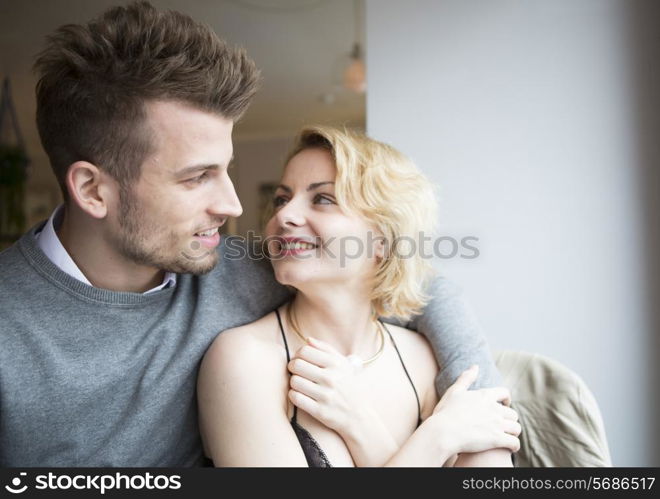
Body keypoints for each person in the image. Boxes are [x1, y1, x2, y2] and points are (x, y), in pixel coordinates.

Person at [0, 2, 501, 467]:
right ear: (92, 189)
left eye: (226, 170)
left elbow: (413, 283)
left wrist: (475, 406)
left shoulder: (239, 265)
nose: (235, 206)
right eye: (196, 177)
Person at [198, 127, 521, 467]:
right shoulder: (244, 359)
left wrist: (361, 426)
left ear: (383, 238)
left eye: (323, 199)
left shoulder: (424, 360)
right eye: (282, 198)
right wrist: (437, 437)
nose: (283, 215)